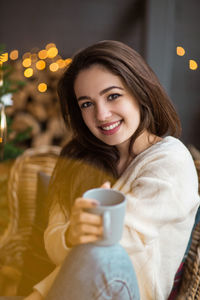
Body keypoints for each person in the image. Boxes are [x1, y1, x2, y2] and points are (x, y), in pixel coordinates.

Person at [24, 40, 199, 300]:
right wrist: (70, 235)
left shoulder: (171, 160)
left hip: (130, 292)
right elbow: (53, 239)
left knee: (105, 251)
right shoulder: (77, 158)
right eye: (86, 104)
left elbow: (111, 250)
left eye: (113, 96)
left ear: (140, 92)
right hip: (76, 290)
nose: (102, 114)